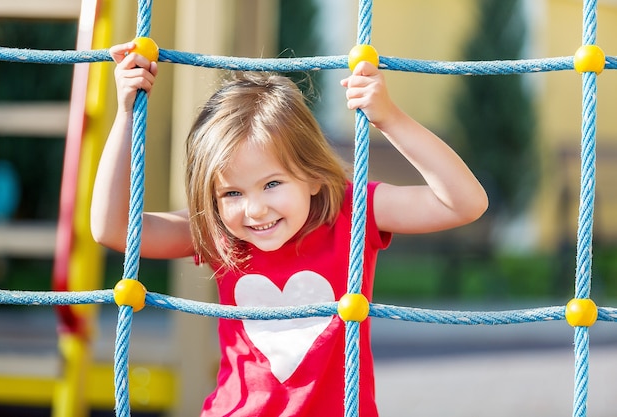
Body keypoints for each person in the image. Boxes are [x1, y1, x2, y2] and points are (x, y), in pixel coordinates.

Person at [91, 41, 488, 417]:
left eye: (272, 183)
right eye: (231, 191)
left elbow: (465, 203)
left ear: (313, 176)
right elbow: (113, 229)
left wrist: (389, 117)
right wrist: (127, 113)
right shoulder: (222, 231)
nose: (254, 209)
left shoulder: (351, 213)